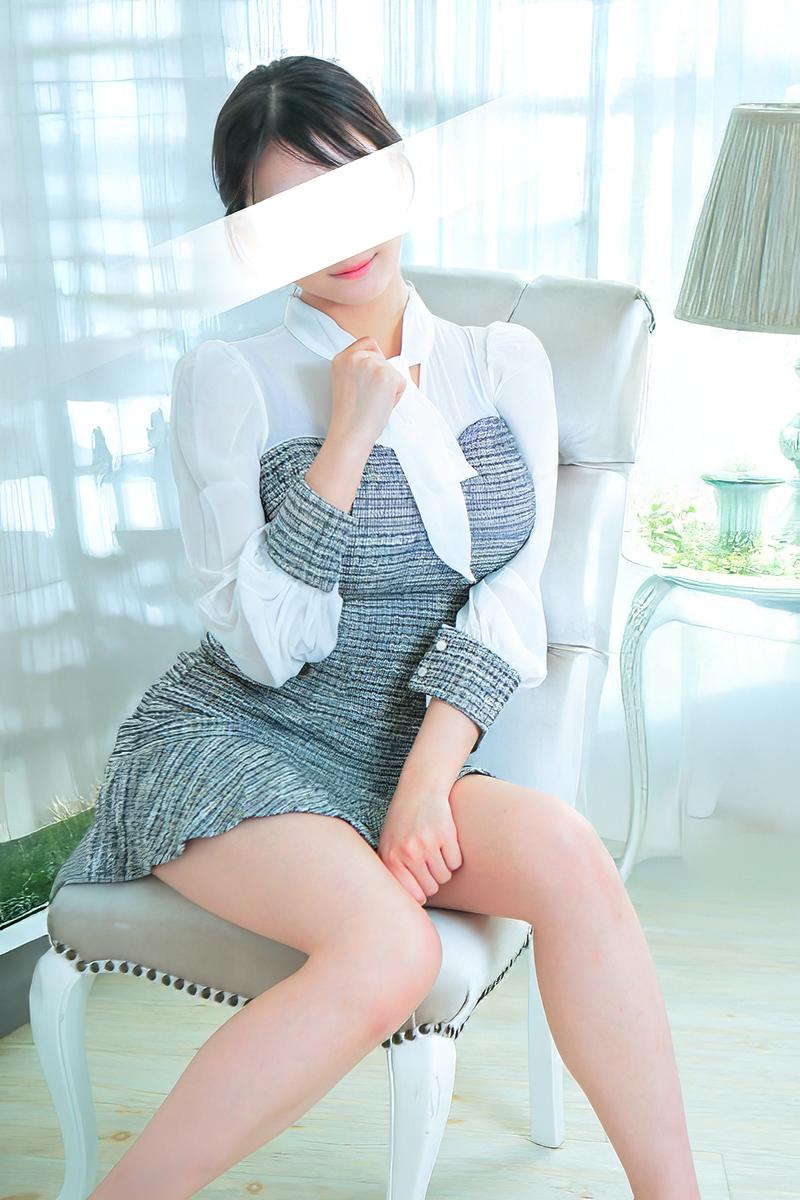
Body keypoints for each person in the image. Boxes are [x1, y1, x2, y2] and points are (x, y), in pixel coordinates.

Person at [53, 54, 701, 1200]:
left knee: (571, 860)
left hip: (403, 747)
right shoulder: (229, 378)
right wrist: (344, 443)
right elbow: (265, 647)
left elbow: (510, 597)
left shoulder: (501, 361)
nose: (335, 232)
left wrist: (424, 780)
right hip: (235, 741)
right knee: (390, 949)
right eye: (286, 210)